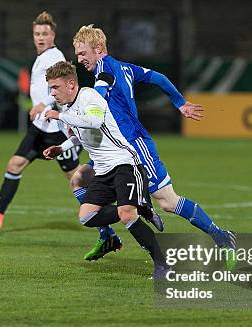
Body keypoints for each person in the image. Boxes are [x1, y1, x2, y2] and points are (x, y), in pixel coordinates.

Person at [70, 25, 235, 264]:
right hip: (114, 149)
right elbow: (159, 78)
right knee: (80, 179)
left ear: (98, 49)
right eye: (77, 54)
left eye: (82, 52)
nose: (79, 59)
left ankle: (221, 236)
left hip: (134, 147)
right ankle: (109, 233)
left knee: (169, 201)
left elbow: (95, 105)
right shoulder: (125, 67)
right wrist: (179, 102)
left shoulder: (105, 70)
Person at [42, 61, 167, 274]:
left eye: (55, 87)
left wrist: (59, 116)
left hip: (125, 163)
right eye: (50, 88)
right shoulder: (67, 109)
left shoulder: (88, 96)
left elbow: (94, 121)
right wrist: (61, 148)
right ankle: (140, 206)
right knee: (87, 217)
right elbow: (80, 136)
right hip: (103, 171)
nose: (52, 93)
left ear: (71, 84)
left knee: (126, 214)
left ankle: (163, 264)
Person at [0, 11, 83, 230]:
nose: (40, 37)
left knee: (76, 178)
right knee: (15, 164)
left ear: (53, 36)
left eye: (45, 33)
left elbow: (65, 88)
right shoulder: (42, 58)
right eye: (37, 33)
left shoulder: (55, 57)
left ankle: (105, 225)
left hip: (57, 130)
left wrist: (45, 105)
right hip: (40, 127)